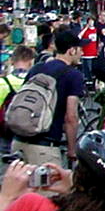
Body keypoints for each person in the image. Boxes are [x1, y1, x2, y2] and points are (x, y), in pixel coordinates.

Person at [15, 31, 86, 167]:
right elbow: (71, 117)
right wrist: (71, 150)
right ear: (71, 51)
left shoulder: (37, 68)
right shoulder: (73, 75)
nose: (82, 53)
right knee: (50, 188)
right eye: (80, 49)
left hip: (19, 141)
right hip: (45, 146)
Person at [0, 46, 35, 151]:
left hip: (7, 130)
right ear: (31, 61)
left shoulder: (3, 83)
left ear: (12, 61)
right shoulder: (35, 81)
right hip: (30, 131)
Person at [77, 16, 98, 84]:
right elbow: (79, 37)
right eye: (89, 21)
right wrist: (86, 28)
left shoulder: (96, 30)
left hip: (93, 53)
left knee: (91, 68)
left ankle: (91, 81)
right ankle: (87, 81)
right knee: (85, 69)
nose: (91, 23)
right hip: (85, 53)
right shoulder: (85, 30)